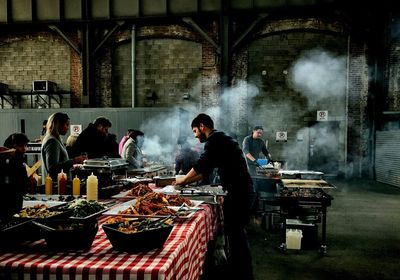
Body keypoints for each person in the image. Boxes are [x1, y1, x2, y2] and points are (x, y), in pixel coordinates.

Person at [174, 113, 255, 280]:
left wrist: (182, 180)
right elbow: (206, 169)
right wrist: (186, 181)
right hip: (241, 191)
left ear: (202, 126)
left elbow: (201, 165)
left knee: (236, 234)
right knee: (235, 233)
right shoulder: (221, 139)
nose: (195, 136)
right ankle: (240, 271)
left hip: (239, 193)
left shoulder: (214, 141)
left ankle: (243, 274)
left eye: (195, 131)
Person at [41, 112, 86, 181]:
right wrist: (74, 160)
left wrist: (72, 167)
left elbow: (60, 164)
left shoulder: (53, 139)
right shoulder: (52, 141)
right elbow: (52, 168)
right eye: (67, 125)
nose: (68, 128)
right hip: (57, 186)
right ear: (58, 125)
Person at [0, 133, 30, 222]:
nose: (24, 149)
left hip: (16, 202)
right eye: (20, 146)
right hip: (8, 204)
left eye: (25, 145)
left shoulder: (18, 161)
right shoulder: (8, 162)